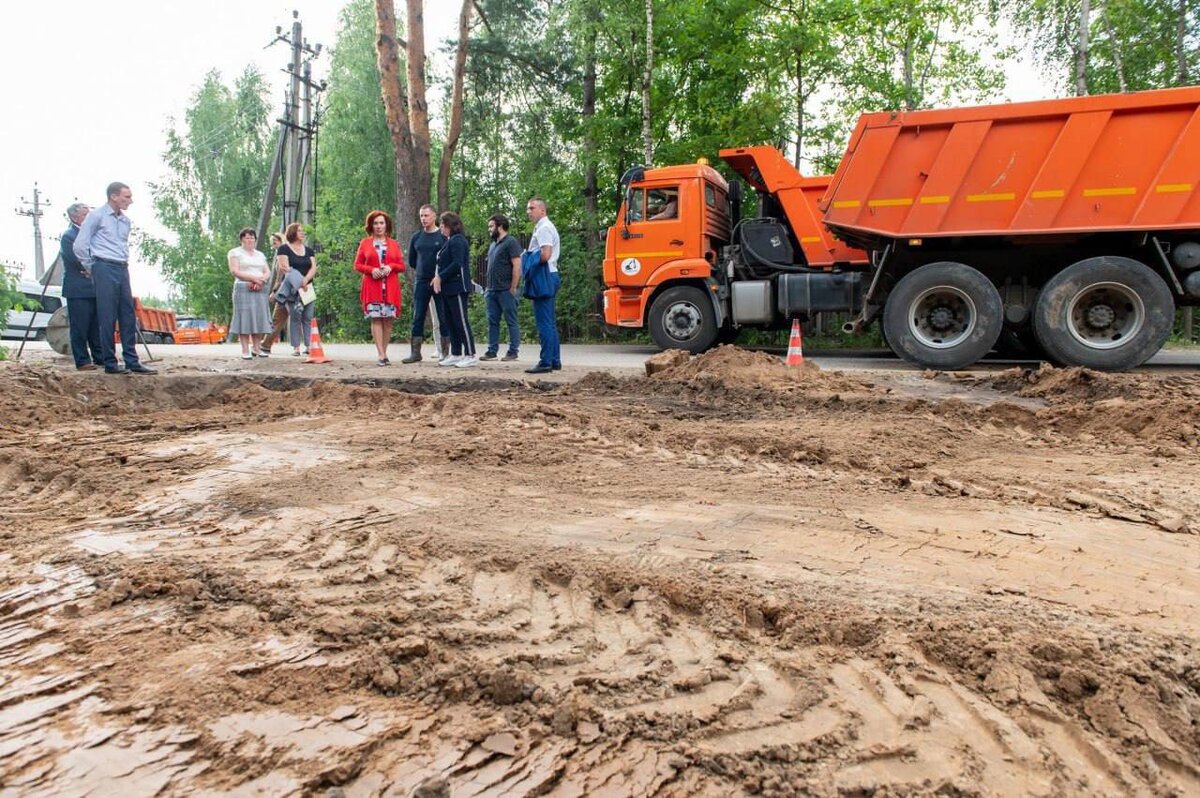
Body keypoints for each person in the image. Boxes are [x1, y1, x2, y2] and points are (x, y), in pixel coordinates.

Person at [73, 182, 156, 375]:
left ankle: (132, 360)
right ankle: (110, 362)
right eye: (126, 197)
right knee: (107, 315)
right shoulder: (97, 216)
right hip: (103, 265)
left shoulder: (125, 221)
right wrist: (92, 267)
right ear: (113, 196)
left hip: (121, 266)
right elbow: (79, 245)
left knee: (127, 314)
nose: (130, 201)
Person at [354, 210, 406, 366]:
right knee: (376, 318)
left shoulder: (394, 244)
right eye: (375, 223)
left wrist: (391, 267)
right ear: (371, 225)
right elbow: (357, 265)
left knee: (388, 321)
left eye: (381, 223)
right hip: (372, 286)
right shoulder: (365, 243)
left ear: (386, 225)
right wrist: (371, 270)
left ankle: (384, 351)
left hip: (390, 287)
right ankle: (381, 355)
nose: (378, 226)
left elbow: (402, 266)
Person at [402, 205, 449, 363]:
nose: (423, 218)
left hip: (439, 281)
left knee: (443, 316)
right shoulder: (416, 237)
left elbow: (448, 259)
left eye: (426, 215)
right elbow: (412, 261)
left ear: (434, 216)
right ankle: (415, 353)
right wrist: (423, 273)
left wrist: (439, 276)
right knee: (418, 316)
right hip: (421, 281)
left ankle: (445, 352)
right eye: (421, 215)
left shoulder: (442, 237)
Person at [60, 203, 103, 370]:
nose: (89, 218)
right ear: (75, 218)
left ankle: (101, 357)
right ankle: (83, 360)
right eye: (85, 214)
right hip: (78, 289)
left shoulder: (94, 234)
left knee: (96, 326)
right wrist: (93, 269)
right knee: (80, 326)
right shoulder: (69, 236)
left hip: (95, 287)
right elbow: (77, 259)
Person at [431, 211, 476, 368]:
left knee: (461, 320)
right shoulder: (448, 242)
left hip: (457, 287)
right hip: (447, 289)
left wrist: (440, 277)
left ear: (451, 226)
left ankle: (470, 353)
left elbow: (457, 264)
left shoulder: (458, 241)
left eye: (443, 225)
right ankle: (456, 353)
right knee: (450, 321)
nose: (441, 228)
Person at [524, 197, 561, 374]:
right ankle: (554, 360)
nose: (528, 212)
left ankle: (545, 361)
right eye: (528, 209)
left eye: (532, 208)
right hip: (550, 274)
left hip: (545, 275)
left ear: (542, 210)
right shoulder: (544, 227)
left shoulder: (544, 228)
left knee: (544, 322)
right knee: (550, 322)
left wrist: (528, 259)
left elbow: (545, 255)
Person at [480, 214, 522, 362]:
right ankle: (492, 350)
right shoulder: (493, 245)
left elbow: (517, 265)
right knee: (492, 321)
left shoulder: (511, 242)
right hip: (491, 290)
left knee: (511, 320)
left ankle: (513, 351)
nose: (489, 229)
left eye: (491, 226)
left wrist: (513, 287)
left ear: (500, 226)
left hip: (506, 290)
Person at [227, 228, 271, 359]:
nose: (250, 240)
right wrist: (252, 279)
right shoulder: (234, 253)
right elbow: (235, 271)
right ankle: (245, 350)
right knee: (244, 318)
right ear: (242, 239)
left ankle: (257, 348)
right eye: (247, 237)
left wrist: (261, 280)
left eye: (252, 237)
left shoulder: (260, 255)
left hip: (260, 287)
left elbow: (267, 271)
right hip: (243, 287)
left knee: (258, 318)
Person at [275, 223, 318, 356]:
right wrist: (300, 282)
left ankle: (309, 346)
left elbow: (313, 267)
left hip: (307, 287)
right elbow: (285, 267)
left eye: (303, 231)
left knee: (308, 317)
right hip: (292, 289)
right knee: (295, 317)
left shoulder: (309, 250)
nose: (302, 233)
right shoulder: (284, 249)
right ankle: (296, 347)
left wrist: (305, 280)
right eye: (300, 231)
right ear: (293, 232)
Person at [260, 233, 289, 354]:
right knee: (301, 318)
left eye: (274, 243)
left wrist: (273, 292)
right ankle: (309, 346)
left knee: (277, 318)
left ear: (280, 240)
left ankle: (266, 344)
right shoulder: (293, 252)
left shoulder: (282, 255)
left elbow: (279, 278)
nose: (273, 246)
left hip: (285, 291)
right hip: (295, 289)